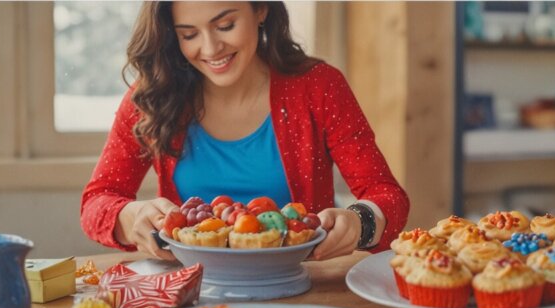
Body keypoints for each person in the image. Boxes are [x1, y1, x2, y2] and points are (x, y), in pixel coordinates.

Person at [80, 1, 409, 261]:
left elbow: (387, 195)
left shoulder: (319, 87)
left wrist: (361, 221)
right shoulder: (151, 97)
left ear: (261, 9)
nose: (210, 49)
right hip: (194, 292)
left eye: (225, 25)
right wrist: (128, 216)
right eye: (188, 34)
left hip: (305, 285)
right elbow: (97, 200)